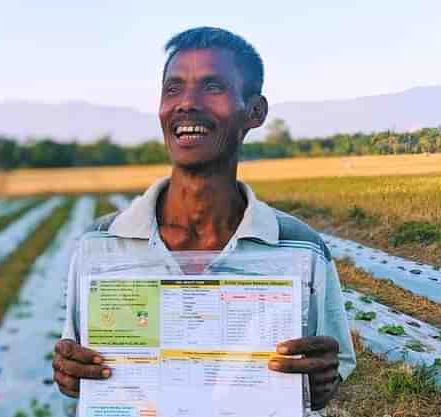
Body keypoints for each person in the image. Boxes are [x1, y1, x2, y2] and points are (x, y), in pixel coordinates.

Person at [53, 26, 356, 412]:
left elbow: (330, 376)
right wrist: (72, 372)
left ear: (255, 112)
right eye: (173, 88)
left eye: (212, 87)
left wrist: (322, 379)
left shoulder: (301, 249)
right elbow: (81, 366)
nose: (186, 104)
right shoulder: (99, 246)